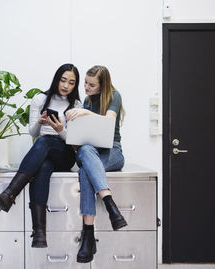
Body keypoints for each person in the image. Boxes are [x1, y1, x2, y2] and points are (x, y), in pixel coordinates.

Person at [0, 63, 82, 248]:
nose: (66, 86)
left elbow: (75, 143)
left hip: (64, 154)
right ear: (57, 79)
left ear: (75, 85)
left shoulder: (76, 105)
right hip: (44, 153)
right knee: (44, 164)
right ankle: (39, 234)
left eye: (71, 83)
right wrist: (40, 123)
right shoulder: (40, 99)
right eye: (63, 80)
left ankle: (9, 194)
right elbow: (33, 132)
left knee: (44, 141)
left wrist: (61, 130)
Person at [65, 65, 127, 263]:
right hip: (91, 152)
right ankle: (109, 204)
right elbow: (84, 139)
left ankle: (88, 236)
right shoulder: (86, 100)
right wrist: (70, 129)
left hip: (113, 152)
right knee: (85, 159)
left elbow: (108, 123)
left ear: (103, 85)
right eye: (85, 82)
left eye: (91, 85)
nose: (86, 87)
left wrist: (84, 113)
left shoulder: (114, 96)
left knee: (86, 169)